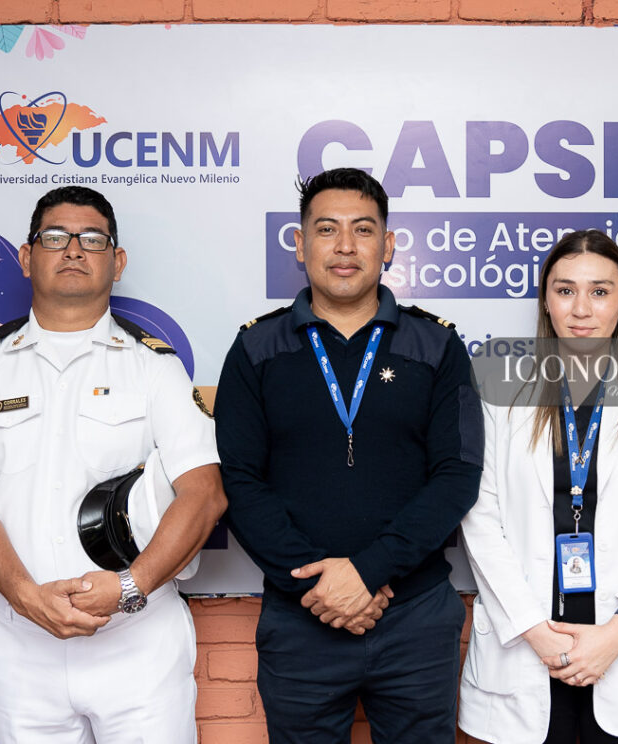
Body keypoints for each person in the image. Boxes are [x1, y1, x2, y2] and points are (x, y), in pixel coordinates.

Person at [0, 186, 227, 743]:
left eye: (93, 239)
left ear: (118, 260)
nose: (74, 250)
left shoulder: (155, 367)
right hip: (20, 642)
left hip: (138, 642)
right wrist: (28, 598)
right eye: (55, 237)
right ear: (27, 255)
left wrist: (130, 588)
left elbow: (204, 494)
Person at [214, 167, 483, 743]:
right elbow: (239, 480)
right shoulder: (256, 348)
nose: (344, 247)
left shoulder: (436, 345)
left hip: (414, 616)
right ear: (299, 242)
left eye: (363, 230)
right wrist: (319, 585)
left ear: (387, 246)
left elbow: (457, 475)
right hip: (299, 614)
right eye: (326, 228)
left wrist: (367, 572)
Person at [458, 229, 618, 744]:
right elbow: (480, 518)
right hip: (527, 645)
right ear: (546, 301)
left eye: (599, 291)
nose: (581, 308)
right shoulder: (501, 390)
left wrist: (617, 635)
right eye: (565, 290)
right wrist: (534, 631)